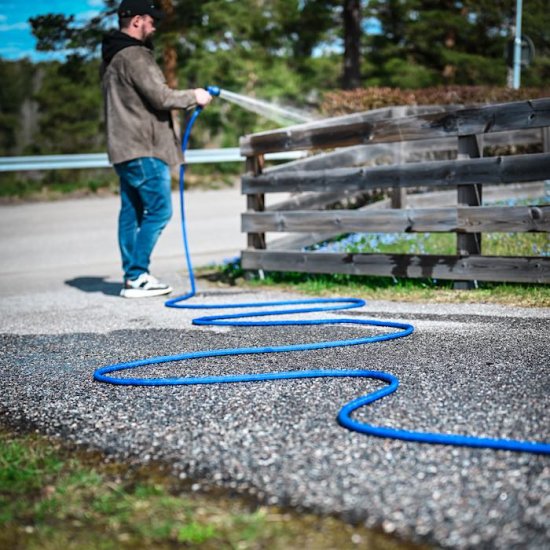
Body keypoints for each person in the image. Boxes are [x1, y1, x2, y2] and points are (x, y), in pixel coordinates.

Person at [101, 0, 212, 298]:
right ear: (137, 20)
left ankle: (132, 277)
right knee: (160, 210)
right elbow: (161, 97)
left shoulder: (112, 57)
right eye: (152, 20)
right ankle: (137, 275)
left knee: (132, 213)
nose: (155, 26)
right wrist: (195, 95)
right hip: (144, 149)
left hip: (124, 149)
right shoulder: (135, 56)